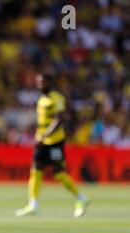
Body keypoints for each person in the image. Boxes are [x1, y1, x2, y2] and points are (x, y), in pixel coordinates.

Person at [15, 73, 89, 218]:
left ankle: (81, 198)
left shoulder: (57, 98)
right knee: (36, 171)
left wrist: (44, 135)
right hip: (41, 141)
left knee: (60, 173)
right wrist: (38, 135)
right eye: (38, 82)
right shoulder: (42, 99)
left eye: (42, 82)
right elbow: (42, 121)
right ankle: (33, 204)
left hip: (55, 141)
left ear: (49, 82)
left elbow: (59, 120)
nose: (39, 85)